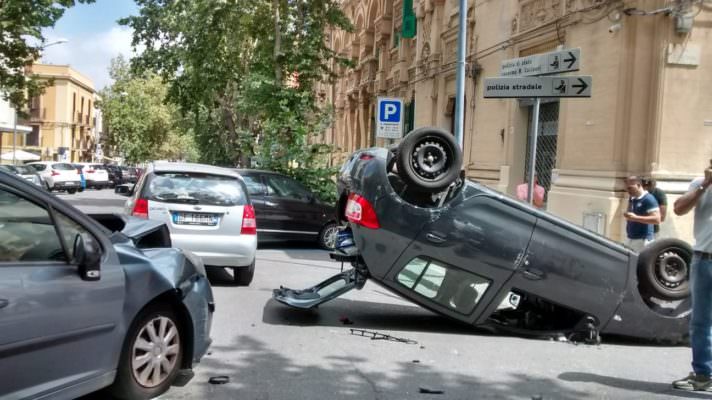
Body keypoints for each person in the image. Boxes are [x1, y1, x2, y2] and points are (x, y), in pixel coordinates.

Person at [672, 161, 712, 391]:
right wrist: (705, 185)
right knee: (701, 322)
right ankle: (703, 373)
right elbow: (678, 208)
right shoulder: (699, 184)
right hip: (703, 260)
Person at [622, 176, 660, 252]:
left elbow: (656, 219)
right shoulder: (632, 198)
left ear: (639, 185)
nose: (628, 191)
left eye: (630, 188)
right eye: (627, 188)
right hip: (631, 237)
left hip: (643, 240)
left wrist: (635, 218)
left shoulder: (649, 199)